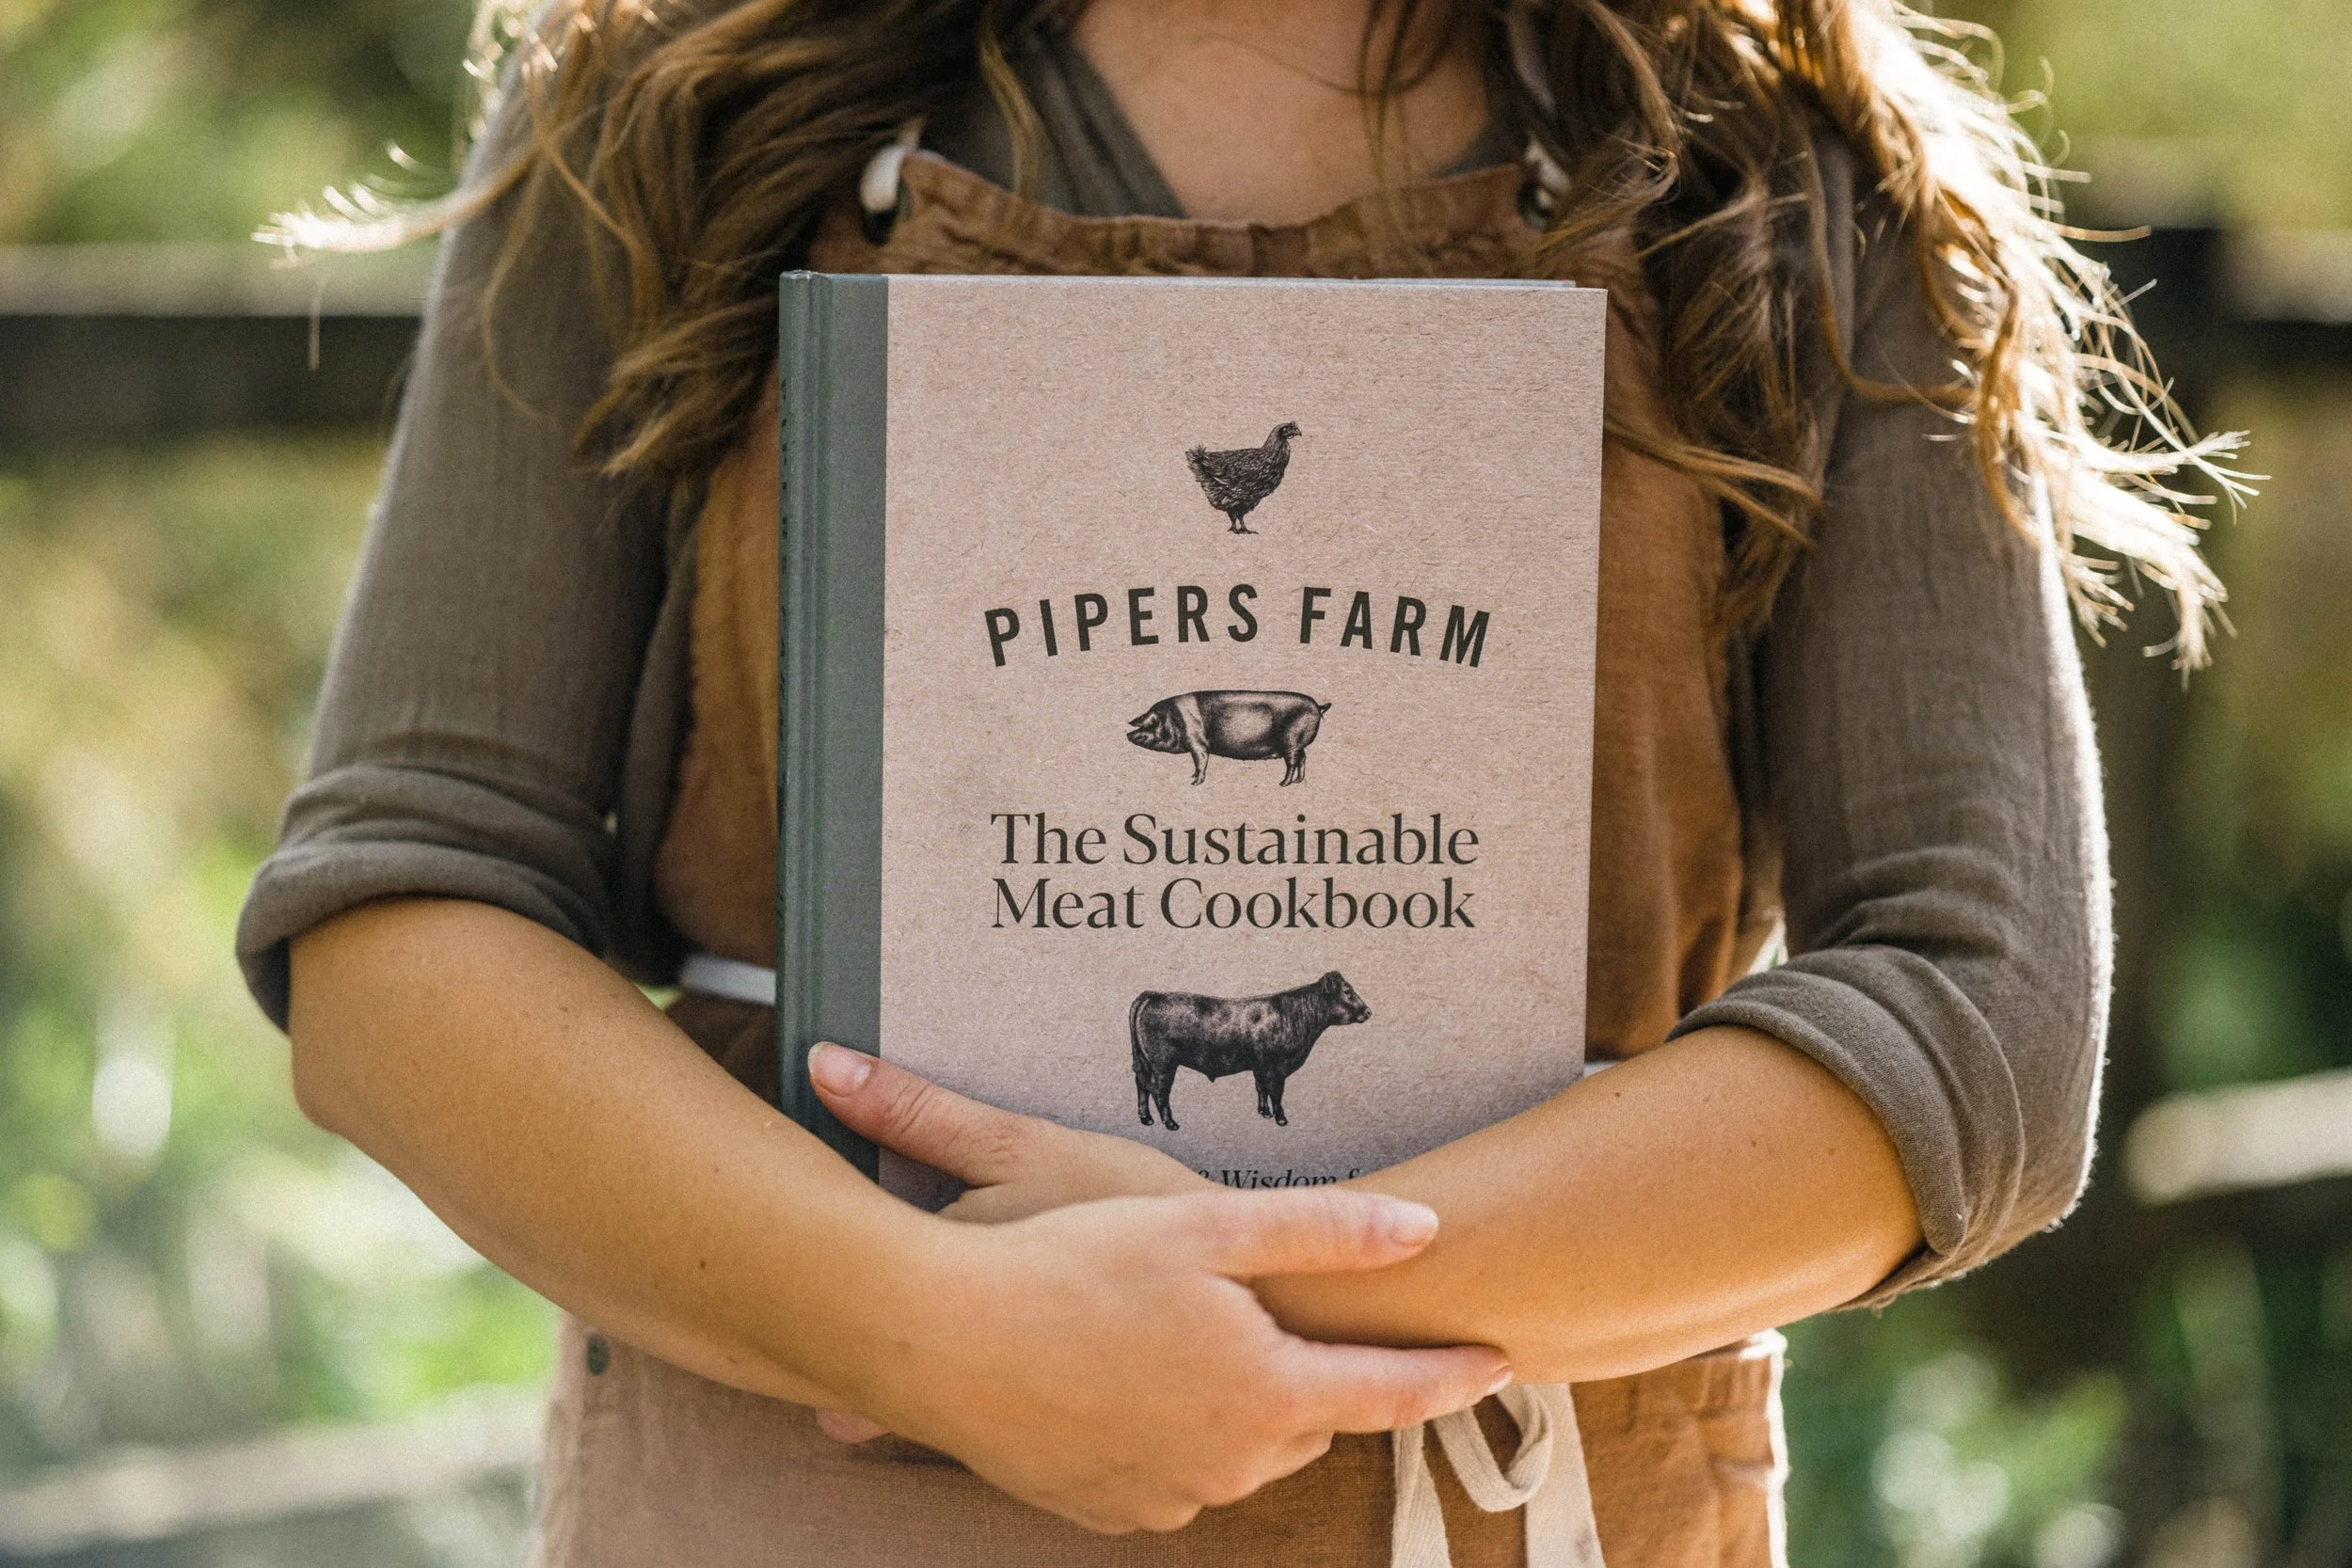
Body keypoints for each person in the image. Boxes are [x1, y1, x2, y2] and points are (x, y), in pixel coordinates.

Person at [240, 2, 2239, 1564]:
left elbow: (1973, 1008)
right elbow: (403, 936)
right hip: (794, 1503)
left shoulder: (1791, 171)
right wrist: (920, 1324)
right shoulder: (663, 109)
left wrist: (1262, 1298)